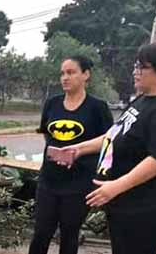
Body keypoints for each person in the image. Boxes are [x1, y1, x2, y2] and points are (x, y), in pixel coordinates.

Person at [50, 41, 156, 254]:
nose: (135, 72)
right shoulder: (143, 100)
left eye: (141, 67)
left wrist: (116, 187)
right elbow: (115, 135)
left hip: (149, 203)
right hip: (126, 201)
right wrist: (78, 149)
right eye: (135, 66)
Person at [28, 57, 113, 254]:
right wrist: (57, 155)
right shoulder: (52, 104)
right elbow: (47, 134)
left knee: (69, 234)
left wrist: (78, 152)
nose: (65, 77)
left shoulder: (97, 107)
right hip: (49, 181)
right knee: (41, 232)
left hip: (79, 183)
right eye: (63, 73)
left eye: (71, 72)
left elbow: (109, 140)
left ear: (85, 75)